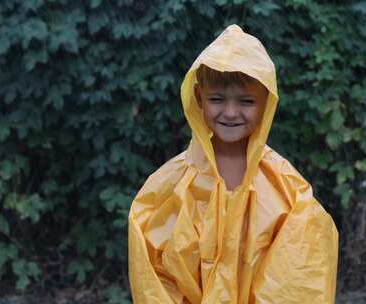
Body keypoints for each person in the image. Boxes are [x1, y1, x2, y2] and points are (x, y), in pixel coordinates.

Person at [128, 24, 339, 303]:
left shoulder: (286, 186)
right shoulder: (170, 185)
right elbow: (153, 272)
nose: (230, 112)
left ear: (266, 103)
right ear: (199, 99)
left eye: (246, 101)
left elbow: (301, 270)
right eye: (217, 99)